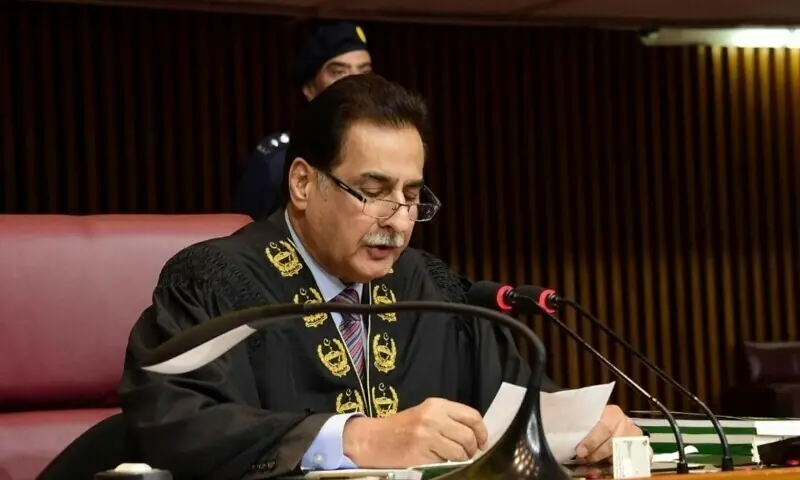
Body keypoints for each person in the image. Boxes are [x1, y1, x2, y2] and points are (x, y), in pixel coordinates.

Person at [119, 74, 643, 480]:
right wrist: (353, 438)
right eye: (372, 191)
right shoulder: (217, 280)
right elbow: (172, 420)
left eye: (411, 195)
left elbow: (519, 400)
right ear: (303, 183)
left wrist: (582, 427)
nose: (397, 218)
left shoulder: (432, 286)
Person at [231, 21, 373, 221]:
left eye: (364, 72)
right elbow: (241, 238)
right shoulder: (277, 162)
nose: (354, 82)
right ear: (310, 89)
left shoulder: (387, 154)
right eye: (339, 72)